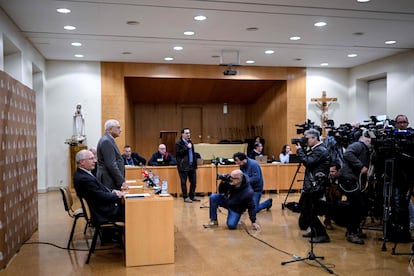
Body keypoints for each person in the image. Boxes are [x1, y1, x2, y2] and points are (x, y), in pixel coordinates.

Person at [295, 128, 331, 243]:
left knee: (307, 210)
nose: (306, 141)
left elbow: (308, 162)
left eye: (307, 138)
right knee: (309, 210)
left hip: (316, 185)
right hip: (313, 184)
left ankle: (322, 234)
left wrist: (300, 150)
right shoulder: (316, 149)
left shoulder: (320, 150)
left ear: (315, 138)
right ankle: (315, 231)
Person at [73, 149, 125, 225]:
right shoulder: (84, 179)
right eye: (91, 158)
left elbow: (99, 190)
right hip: (102, 213)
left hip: (100, 208)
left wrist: (112, 191)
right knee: (130, 209)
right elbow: (100, 196)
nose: (95, 161)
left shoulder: (83, 174)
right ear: (82, 162)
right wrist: (116, 195)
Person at [338, 129, 371, 244]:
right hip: (348, 179)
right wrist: (360, 166)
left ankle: (354, 230)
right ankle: (351, 232)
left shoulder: (365, 148)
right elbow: (347, 153)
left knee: (360, 205)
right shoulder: (359, 144)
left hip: (352, 179)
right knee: (357, 205)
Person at [96, 119, 127, 191]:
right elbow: (111, 164)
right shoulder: (106, 141)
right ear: (110, 129)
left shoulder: (108, 140)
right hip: (108, 180)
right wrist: (122, 181)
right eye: (118, 127)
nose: (121, 130)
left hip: (110, 178)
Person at [175, 127, 200, 203]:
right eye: (186, 133)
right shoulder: (178, 143)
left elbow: (192, 153)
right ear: (182, 134)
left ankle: (192, 196)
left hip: (192, 166)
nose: (188, 134)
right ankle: (185, 197)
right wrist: (186, 148)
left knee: (194, 182)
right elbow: (178, 153)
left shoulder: (190, 142)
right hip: (183, 166)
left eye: (189, 133)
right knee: (183, 182)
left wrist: (195, 164)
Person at [323, 162, 342, 230]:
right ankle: (327, 220)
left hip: (339, 199)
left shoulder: (343, 178)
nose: (331, 173)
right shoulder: (327, 178)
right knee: (328, 202)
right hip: (329, 200)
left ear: (339, 170)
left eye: (333, 171)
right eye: (330, 171)